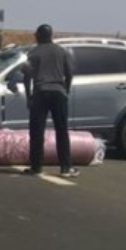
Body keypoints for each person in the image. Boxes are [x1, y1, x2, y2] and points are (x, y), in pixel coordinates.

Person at [22, 24, 80, 178]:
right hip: (58, 93)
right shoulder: (62, 51)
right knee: (62, 130)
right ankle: (66, 167)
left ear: (39, 36)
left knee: (36, 131)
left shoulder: (33, 53)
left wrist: (29, 97)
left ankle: (36, 166)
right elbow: (69, 74)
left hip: (40, 92)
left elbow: (27, 76)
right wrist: (65, 90)